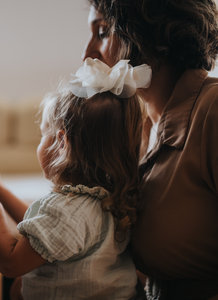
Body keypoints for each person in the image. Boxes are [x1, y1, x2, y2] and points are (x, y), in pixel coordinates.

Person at [0, 58, 150, 299]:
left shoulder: (65, 211)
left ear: (61, 142)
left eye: (42, 135)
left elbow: (11, 262)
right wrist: (1, 192)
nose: (39, 144)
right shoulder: (108, 200)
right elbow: (42, 226)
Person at [83, 1, 218, 299]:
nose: (88, 54)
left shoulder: (212, 111)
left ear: (147, 31)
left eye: (103, 32)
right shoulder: (139, 124)